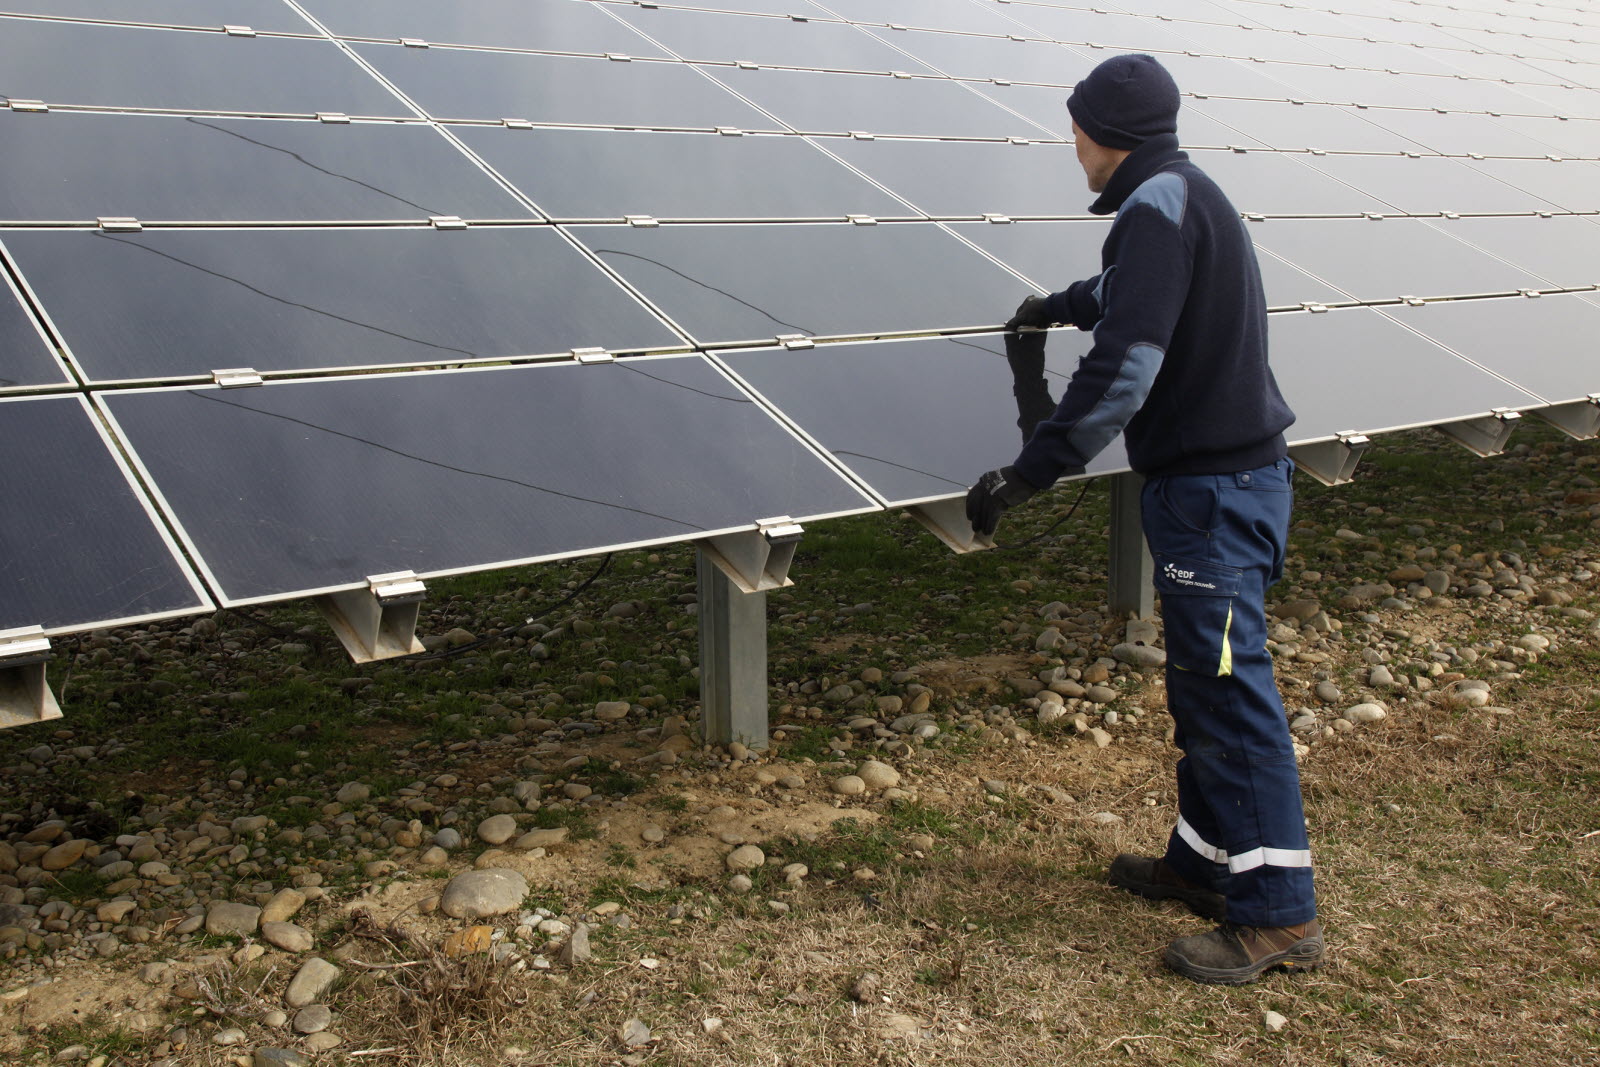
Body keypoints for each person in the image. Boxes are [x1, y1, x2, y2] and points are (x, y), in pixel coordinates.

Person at [965, 53, 1322, 985]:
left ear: (1104, 134)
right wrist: (1062, 305)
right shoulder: (1181, 196)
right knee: (1202, 690)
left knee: (1234, 699)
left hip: (1214, 494)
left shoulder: (1156, 210)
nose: (1071, 145)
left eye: (1076, 128)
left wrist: (1031, 471)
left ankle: (1280, 915)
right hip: (1221, 488)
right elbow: (1141, 293)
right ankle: (1203, 863)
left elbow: (1129, 367)